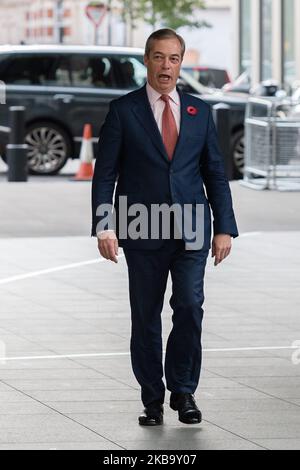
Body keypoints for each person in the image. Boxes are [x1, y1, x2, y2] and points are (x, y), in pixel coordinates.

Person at [91, 29, 238, 426]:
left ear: (181, 63)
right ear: (147, 61)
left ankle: (184, 391)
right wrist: (105, 226)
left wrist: (224, 226)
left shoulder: (199, 111)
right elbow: (105, 175)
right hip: (141, 227)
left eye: (173, 59)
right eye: (158, 57)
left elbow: (215, 173)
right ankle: (152, 399)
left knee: (190, 306)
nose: (166, 66)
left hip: (192, 226)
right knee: (145, 315)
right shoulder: (124, 111)